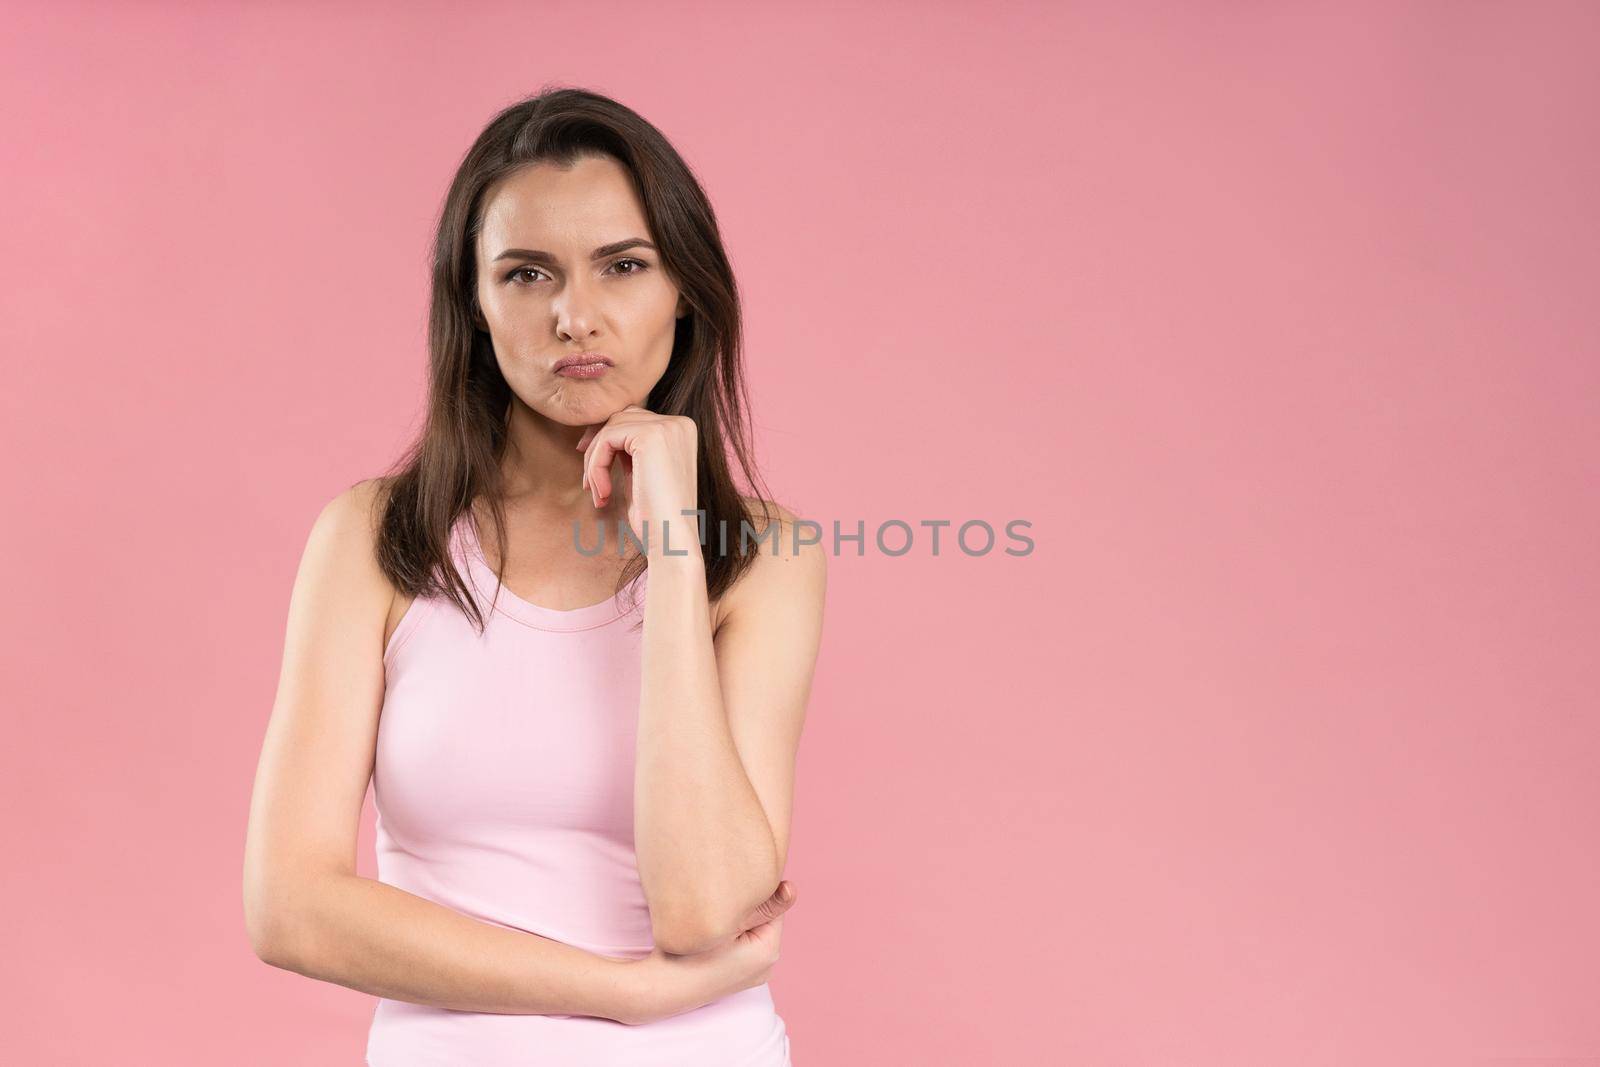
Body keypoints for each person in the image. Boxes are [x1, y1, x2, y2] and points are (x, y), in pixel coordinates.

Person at [242, 87, 827, 1065]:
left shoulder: (768, 556)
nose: (573, 315)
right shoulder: (376, 539)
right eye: (526, 273)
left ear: (684, 288)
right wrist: (621, 992)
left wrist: (676, 553)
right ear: (473, 302)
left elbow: (704, 908)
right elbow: (290, 907)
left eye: (623, 266)